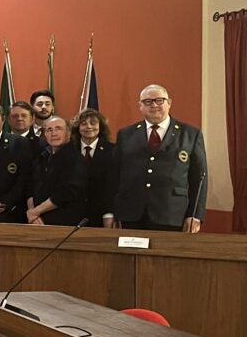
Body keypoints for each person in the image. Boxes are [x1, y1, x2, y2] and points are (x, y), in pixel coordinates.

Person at [109, 84, 207, 232]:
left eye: (159, 100)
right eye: (147, 101)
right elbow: (114, 176)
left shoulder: (190, 134)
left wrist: (195, 215)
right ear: (140, 106)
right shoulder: (126, 134)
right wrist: (112, 211)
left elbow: (199, 178)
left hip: (172, 213)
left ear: (169, 103)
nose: (154, 105)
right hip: (132, 214)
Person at [27, 117, 87, 226]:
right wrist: (33, 214)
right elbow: (29, 188)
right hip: (37, 222)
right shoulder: (42, 158)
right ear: (45, 134)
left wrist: (36, 212)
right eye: (49, 130)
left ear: (68, 133)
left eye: (58, 129)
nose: (53, 133)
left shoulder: (75, 159)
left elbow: (66, 192)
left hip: (64, 223)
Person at [73, 108, 116, 228]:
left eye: (93, 123)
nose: (89, 127)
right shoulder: (70, 150)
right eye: (84, 123)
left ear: (100, 126)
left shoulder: (112, 150)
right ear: (78, 127)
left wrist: (109, 213)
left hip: (101, 214)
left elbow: (112, 185)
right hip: (73, 214)